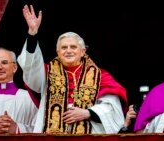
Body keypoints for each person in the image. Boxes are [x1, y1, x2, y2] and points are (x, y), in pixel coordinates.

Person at [17, 4, 129, 134]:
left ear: (83, 51)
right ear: (58, 52)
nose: (68, 51)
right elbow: (30, 69)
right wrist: (32, 34)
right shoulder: (46, 72)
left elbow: (112, 106)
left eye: (73, 47)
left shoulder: (100, 75)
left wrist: (88, 113)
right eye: (64, 48)